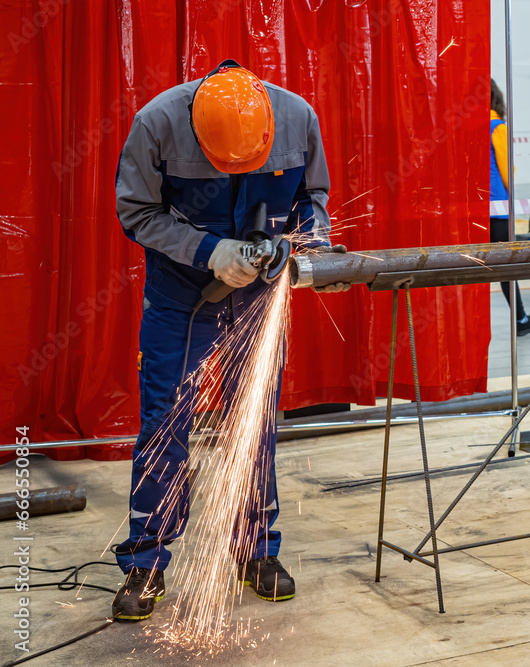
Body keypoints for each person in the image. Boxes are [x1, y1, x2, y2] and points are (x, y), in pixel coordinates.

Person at [112, 60, 348, 621]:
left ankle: (256, 550)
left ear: (268, 128)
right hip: (181, 292)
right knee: (164, 420)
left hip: (259, 293)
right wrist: (209, 250)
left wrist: (306, 247)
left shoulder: (298, 118)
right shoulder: (157, 124)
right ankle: (146, 561)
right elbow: (136, 211)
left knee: (254, 421)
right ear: (196, 130)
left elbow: (312, 199)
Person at [489, 78, 530, 336]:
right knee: (506, 267)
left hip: (474, 209)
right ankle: (521, 320)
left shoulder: (467, 127)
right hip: (497, 208)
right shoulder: (496, 126)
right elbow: (506, 171)